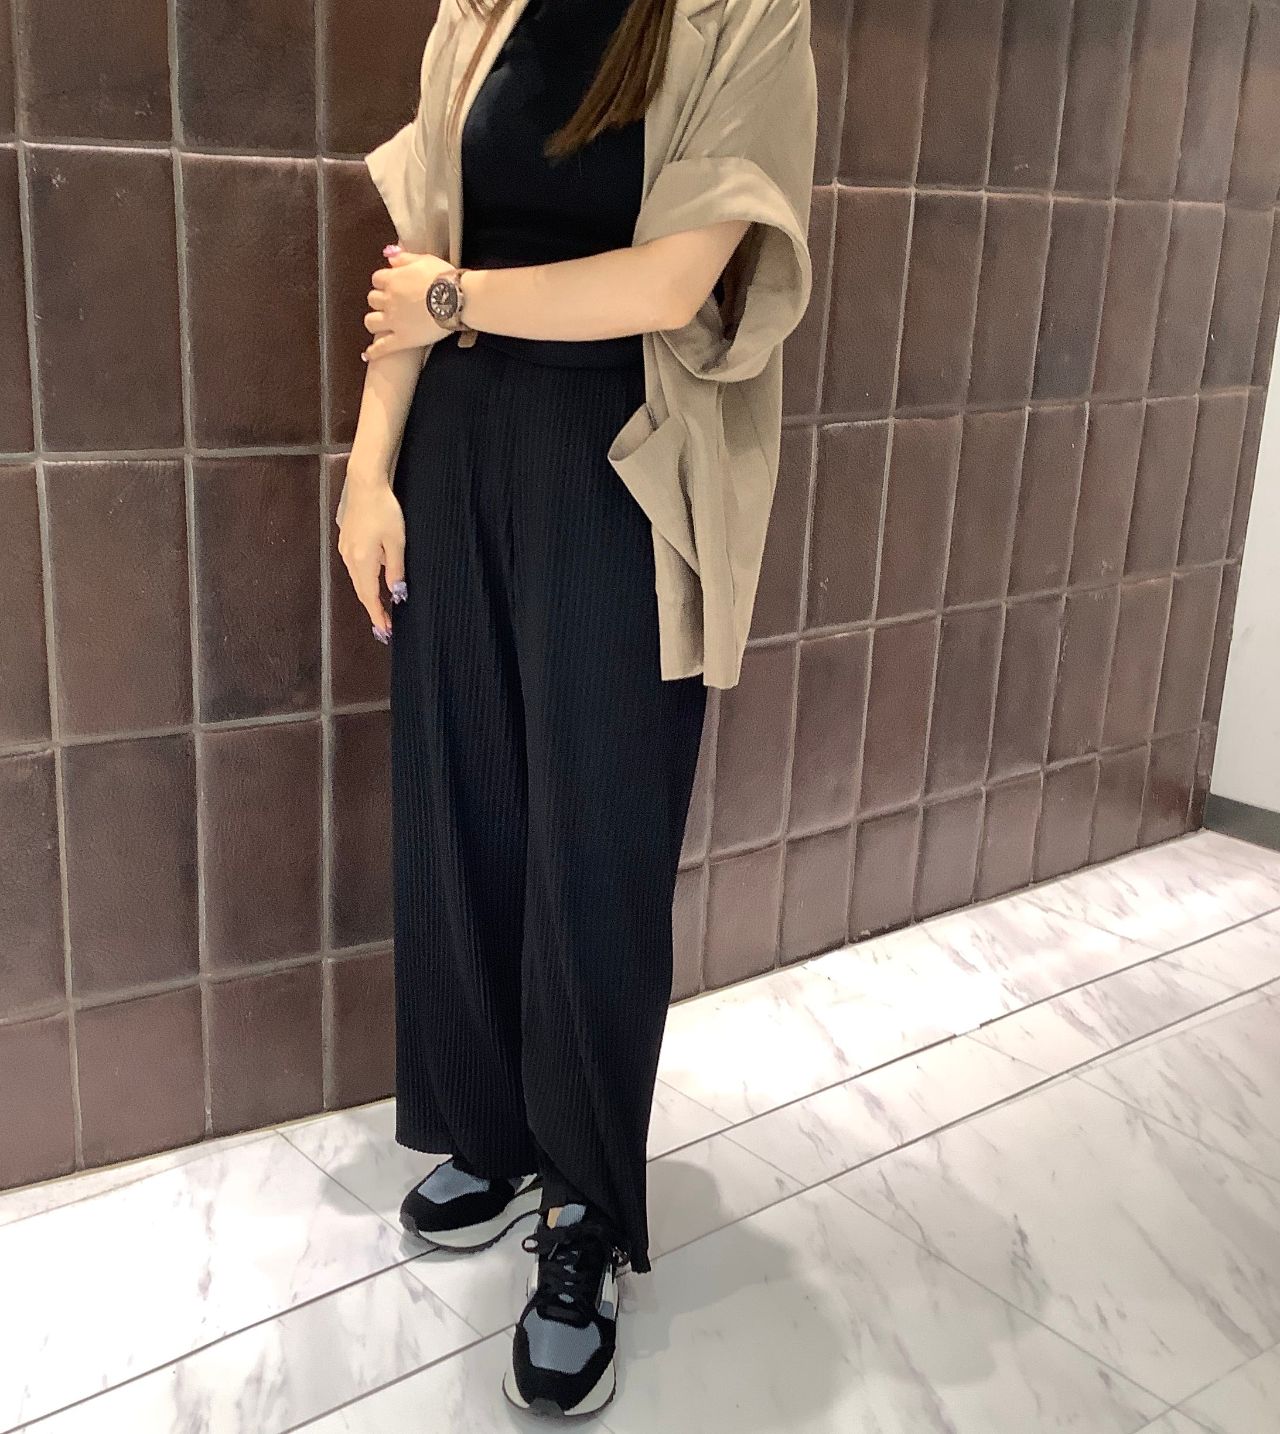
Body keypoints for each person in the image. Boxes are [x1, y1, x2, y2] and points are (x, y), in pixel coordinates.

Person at [336, 0, 816, 1416]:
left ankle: (586, 1204)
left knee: (598, 846)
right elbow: (416, 264)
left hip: (620, 464)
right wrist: (367, 471)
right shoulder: (483, 10)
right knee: (464, 799)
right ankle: (490, 1128)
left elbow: (675, 280)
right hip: (457, 448)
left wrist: (458, 300)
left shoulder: (743, 16)